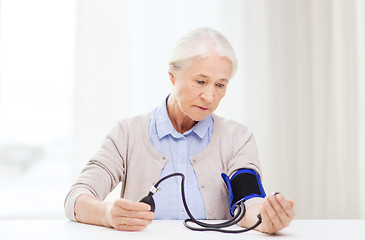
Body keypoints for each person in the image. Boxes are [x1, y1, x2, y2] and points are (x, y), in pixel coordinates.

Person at [64, 27, 295, 234]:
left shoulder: (238, 138)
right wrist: (107, 214)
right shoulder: (127, 133)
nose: (210, 96)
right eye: (201, 81)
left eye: (220, 84)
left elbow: (249, 200)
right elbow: (76, 198)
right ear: (172, 76)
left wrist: (266, 219)